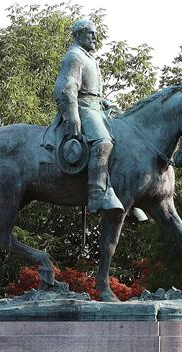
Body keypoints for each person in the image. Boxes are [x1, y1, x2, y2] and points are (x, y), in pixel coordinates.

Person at [54, 18, 124, 214]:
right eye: (90, 33)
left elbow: (92, 91)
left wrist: (105, 103)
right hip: (83, 108)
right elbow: (66, 88)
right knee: (103, 143)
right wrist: (72, 116)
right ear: (78, 34)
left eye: (95, 33)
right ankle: (96, 195)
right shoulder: (74, 56)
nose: (95, 37)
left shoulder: (89, 57)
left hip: (96, 107)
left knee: (124, 138)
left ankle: (125, 193)